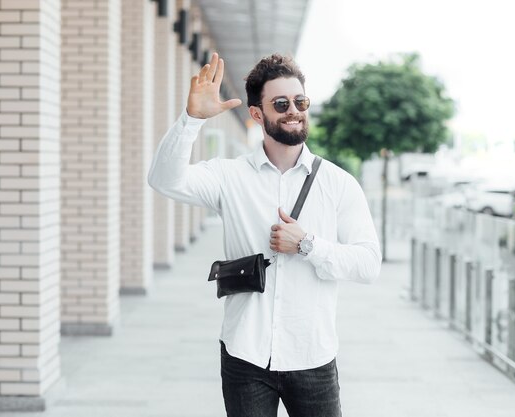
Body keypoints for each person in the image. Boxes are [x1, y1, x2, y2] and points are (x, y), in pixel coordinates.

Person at [148, 52, 381, 417]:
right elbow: (163, 180)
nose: (294, 110)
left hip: (312, 357)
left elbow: (368, 264)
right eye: (281, 103)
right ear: (257, 114)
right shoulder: (230, 176)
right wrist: (190, 120)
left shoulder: (338, 184)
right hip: (246, 355)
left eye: (300, 101)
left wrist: (307, 245)